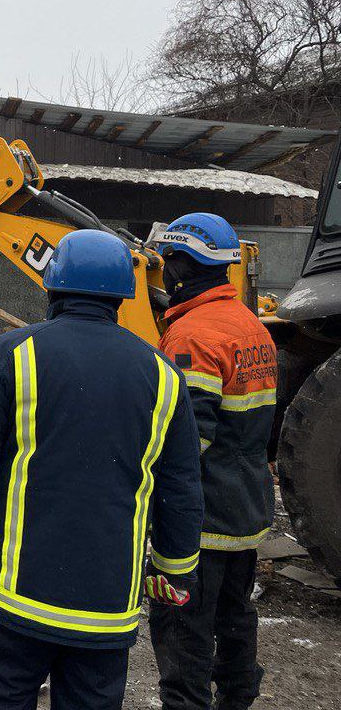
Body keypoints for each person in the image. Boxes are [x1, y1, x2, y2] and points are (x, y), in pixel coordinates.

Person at [0, 229, 203, 710]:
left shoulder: (12, 354)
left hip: (15, 601)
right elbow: (180, 488)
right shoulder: (164, 375)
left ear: (52, 286)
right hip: (105, 611)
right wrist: (175, 569)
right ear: (123, 296)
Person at [149, 213, 277, 710]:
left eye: (168, 261)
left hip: (201, 520)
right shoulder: (251, 325)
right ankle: (238, 699)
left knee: (184, 631)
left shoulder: (191, 336)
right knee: (236, 618)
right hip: (245, 511)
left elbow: (188, 441)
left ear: (183, 265)